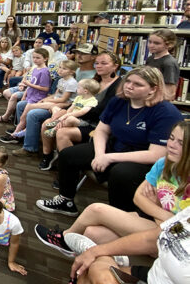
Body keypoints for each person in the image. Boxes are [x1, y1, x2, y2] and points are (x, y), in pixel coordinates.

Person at [36, 66, 183, 216]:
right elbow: (101, 130)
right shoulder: (119, 101)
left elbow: (155, 155)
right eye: (128, 81)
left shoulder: (165, 112)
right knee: (68, 154)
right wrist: (100, 154)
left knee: (120, 173)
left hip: (142, 159)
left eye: (138, 84)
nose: (129, 86)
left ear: (153, 89)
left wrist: (109, 157)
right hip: (114, 147)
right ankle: (65, 200)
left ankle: (119, 217)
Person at [35, 121, 189, 260]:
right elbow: (138, 198)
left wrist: (155, 207)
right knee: (91, 234)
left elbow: (182, 225)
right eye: (171, 138)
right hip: (152, 221)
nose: (171, 145)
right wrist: (163, 213)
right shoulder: (163, 164)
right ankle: (87, 270)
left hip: (175, 236)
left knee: (96, 210)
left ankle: (64, 238)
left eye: (181, 143)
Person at [40, 51, 123, 170]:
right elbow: (79, 100)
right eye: (97, 63)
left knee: (62, 133)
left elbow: (100, 111)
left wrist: (69, 115)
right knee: (46, 124)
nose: (98, 66)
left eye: (103, 63)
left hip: (97, 125)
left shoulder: (118, 86)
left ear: (115, 66)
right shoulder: (95, 80)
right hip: (78, 116)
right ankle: (47, 156)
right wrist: (65, 112)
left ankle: (68, 168)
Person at [68, 208, 190, 284]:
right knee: (91, 268)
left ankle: (109, 259)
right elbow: (151, 239)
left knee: (100, 277)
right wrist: (96, 251)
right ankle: (105, 258)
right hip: (156, 274)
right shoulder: (188, 213)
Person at [145, 29, 180, 101]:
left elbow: (170, 93)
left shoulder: (169, 63)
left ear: (169, 45)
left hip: (158, 101)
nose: (151, 45)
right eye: (150, 42)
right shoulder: (150, 59)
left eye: (157, 43)